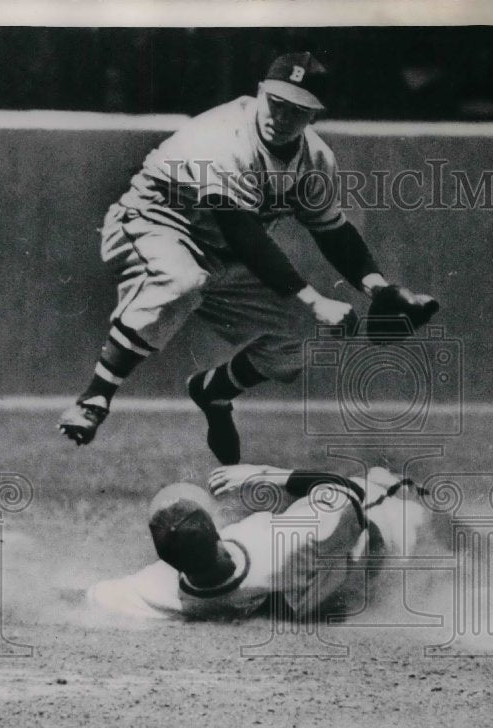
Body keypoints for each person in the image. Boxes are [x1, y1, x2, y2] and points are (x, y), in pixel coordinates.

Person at [59, 52, 438, 462]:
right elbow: (241, 231)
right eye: (276, 102)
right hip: (157, 219)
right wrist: (314, 298)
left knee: (304, 334)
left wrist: (376, 286)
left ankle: (214, 392)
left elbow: (333, 232)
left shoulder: (315, 160)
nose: (282, 116)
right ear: (260, 92)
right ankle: (93, 398)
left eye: (298, 110)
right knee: (182, 280)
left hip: (222, 254)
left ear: (315, 116)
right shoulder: (224, 136)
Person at [87, 464, 427, 621]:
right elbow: (347, 492)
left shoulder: (162, 589)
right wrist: (263, 473)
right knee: (392, 489)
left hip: (333, 583)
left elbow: (100, 594)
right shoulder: (283, 549)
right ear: (217, 532)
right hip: (385, 540)